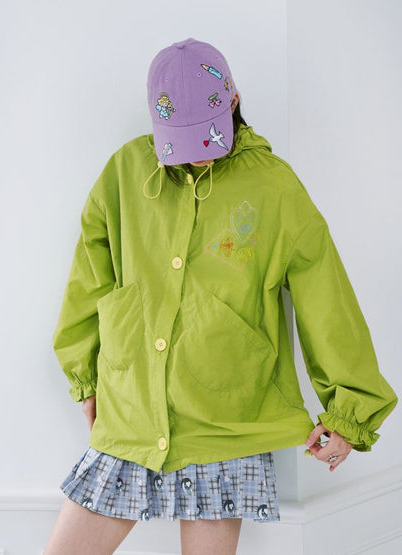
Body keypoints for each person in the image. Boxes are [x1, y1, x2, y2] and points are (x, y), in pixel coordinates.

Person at [44, 38, 398, 554]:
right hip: (132, 409)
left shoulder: (273, 186)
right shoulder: (126, 171)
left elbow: (326, 296)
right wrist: (85, 377)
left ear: (232, 98)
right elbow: (89, 278)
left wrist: (349, 410)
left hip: (228, 419)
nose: (192, 154)